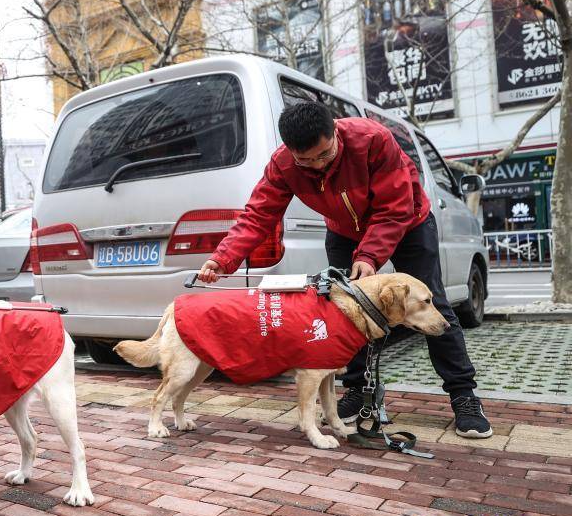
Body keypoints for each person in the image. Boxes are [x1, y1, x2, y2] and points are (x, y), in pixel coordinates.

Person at [197, 101, 492, 438]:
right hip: (343, 231)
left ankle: (463, 396)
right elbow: (258, 215)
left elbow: (394, 207)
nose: (316, 166)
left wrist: (368, 256)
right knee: (344, 312)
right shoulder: (283, 164)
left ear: (335, 132)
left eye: (323, 156)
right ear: (290, 151)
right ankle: (356, 390)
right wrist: (222, 259)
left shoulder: (373, 139)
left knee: (431, 303)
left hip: (408, 222)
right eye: (304, 161)